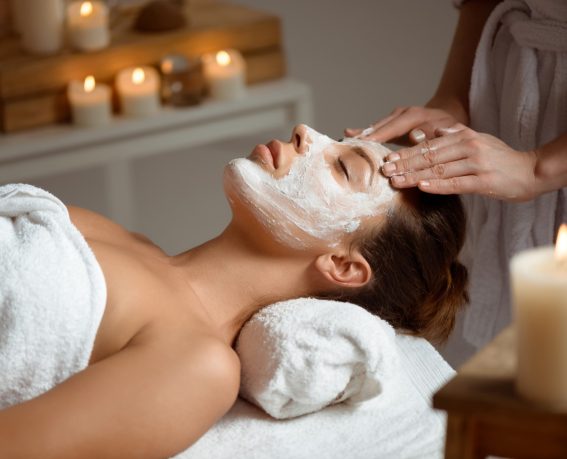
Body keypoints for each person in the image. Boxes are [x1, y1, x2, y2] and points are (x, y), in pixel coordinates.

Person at [0, 124, 467, 458]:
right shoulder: (118, 235)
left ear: (343, 266)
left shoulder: (197, 365)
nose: (307, 132)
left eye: (345, 167)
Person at [346, 0, 567, 357]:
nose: (301, 134)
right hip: (505, 82)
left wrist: (539, 167)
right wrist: (451, 105)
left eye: (346, 169)